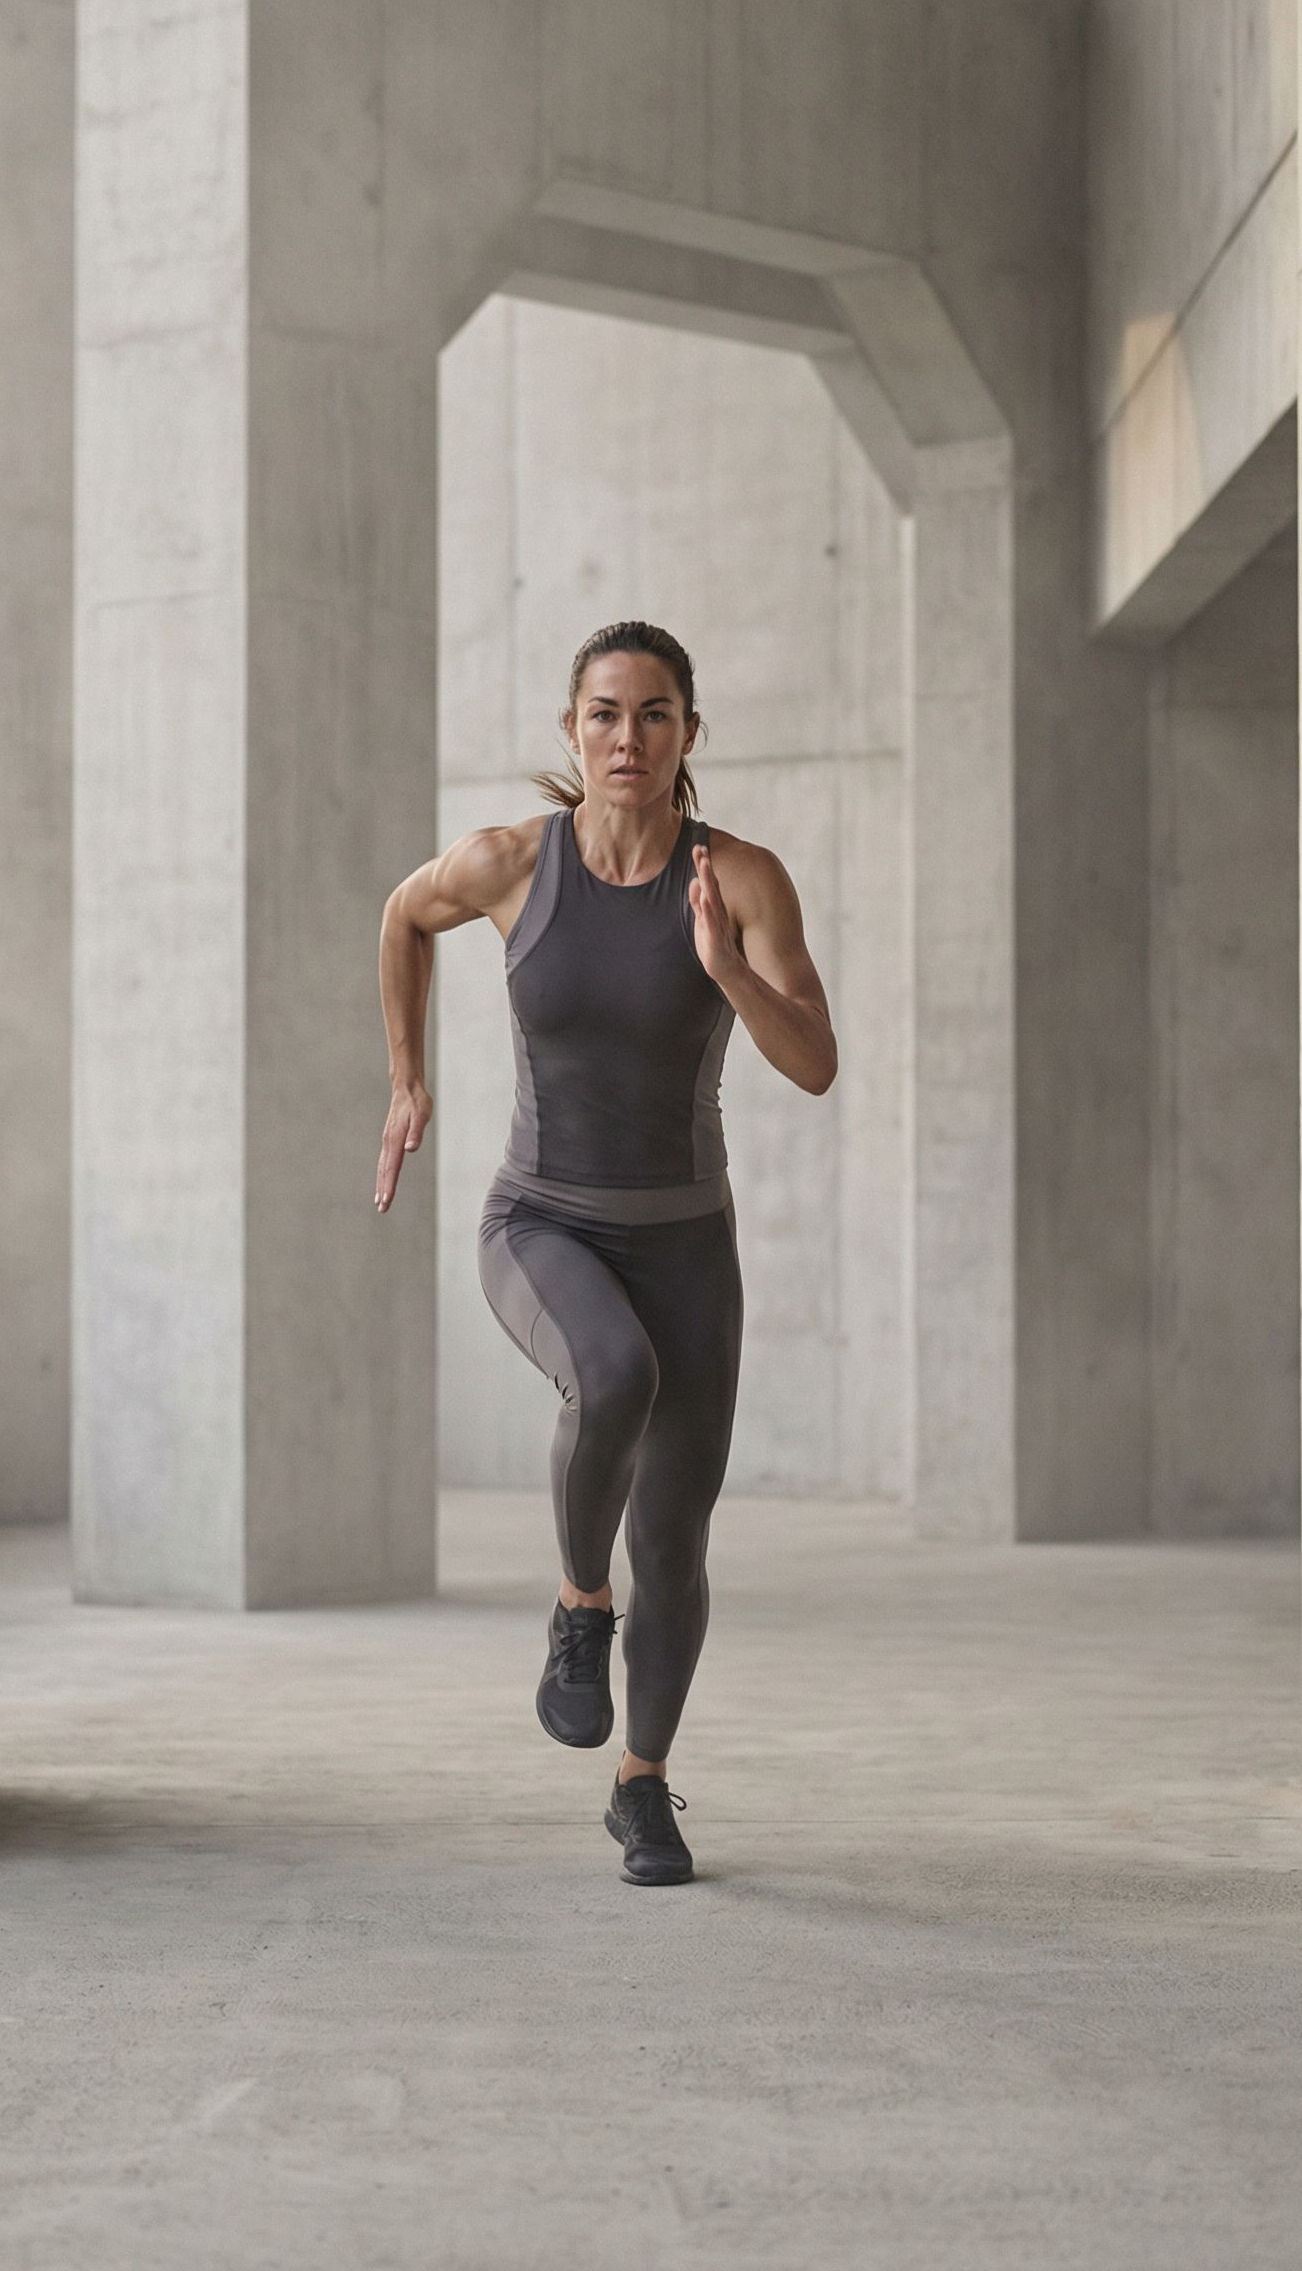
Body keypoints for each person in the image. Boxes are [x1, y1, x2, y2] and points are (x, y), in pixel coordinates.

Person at [375, 621, 836, 1883]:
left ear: (689, 733)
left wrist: (723, 971)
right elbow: (404, 919)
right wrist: (407, 1078)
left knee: (676, 1538)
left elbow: (813, 1062)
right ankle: (580, 1606)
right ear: (570, 732)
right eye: (603, 713)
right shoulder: (509, 864)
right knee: (611, 1377)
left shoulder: (738, 879)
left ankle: (643, 1785)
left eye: (652, 714)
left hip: (688, 1248)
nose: (626, 737)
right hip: (542, 1223)